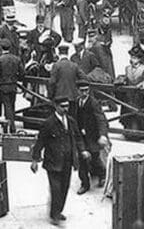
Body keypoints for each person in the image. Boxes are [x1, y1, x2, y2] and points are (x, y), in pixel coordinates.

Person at [31, 97, 88, 226]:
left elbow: (78, 138)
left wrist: (82, 150)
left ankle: (58, 211)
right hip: (53, 162)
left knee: (64, 188)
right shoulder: (49, 123)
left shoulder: (71, 121)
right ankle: (55, 215)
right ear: (56, 106)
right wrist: (35, 160)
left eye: (67, 106)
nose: (65, 109)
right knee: (56, 189)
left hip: (67, 162)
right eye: (62, 106)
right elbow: (40, 142)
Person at [74, 80, 109, 194]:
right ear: (77, 91)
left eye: (86, 90)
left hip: (93, 136)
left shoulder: (93, 102)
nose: (84, 93)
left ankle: (102, 174)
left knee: (94, 158)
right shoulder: (76, 102)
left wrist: (103, 135)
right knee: (82, 159)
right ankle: (84, 184)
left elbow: (101, 119)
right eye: (82, 90)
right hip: (81, 136)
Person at [0, 39, 24, 133]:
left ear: (1, 48)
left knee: (7, 107)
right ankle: (9, 128)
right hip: (13, 86)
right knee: (11, 106)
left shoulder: (0, 60)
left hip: (3, 87)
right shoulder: (16, 59)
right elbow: (22, 73)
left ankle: (10, 128)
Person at [49, 45, 87, 114]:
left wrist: (51, 96)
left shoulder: (56, 66)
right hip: (72, 97)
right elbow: (84, 78)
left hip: (59, 98)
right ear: (67, 53)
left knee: (60, 118)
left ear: (59, 53)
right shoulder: (74, 65)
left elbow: (52, 82)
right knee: (72, 119)